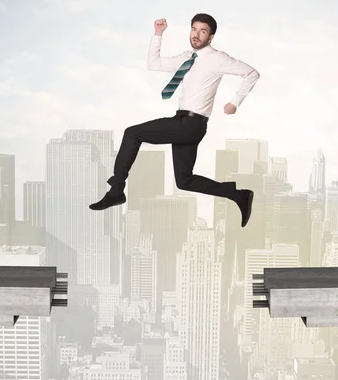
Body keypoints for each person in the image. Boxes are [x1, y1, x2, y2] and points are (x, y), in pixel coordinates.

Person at [90, 13, 260, 227]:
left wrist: (235, 102)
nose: (196, 35)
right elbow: (154, 64)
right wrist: (158, 34)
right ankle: (239, 195)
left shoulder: (218, 58)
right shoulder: (186, 58)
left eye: (203, 31)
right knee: (184, 181)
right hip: (185, 123)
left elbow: (252, 73)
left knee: (132, 133)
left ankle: (116, 191)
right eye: (194, 29)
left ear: (211, 37)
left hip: (191, 124)